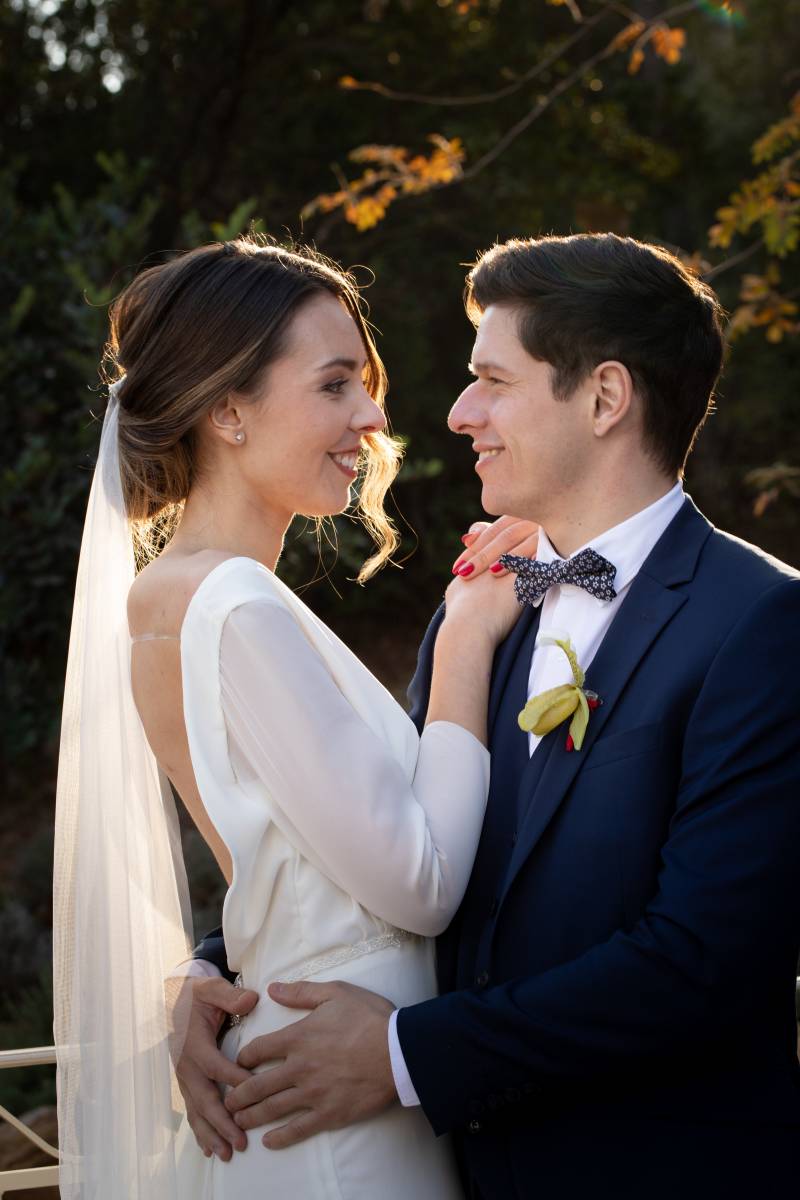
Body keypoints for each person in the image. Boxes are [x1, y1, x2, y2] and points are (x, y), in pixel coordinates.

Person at [183, 233, 800, 1199]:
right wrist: (215, 976)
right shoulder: (475, 610)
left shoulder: (761, 621)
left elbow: (702, 964)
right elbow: (399, 839)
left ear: (603, 398)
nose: (460, 413)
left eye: (492, 381)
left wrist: (399, 1055)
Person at [52, 236, 539, 1200]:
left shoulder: (166, 597)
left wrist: (194, 976)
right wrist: (466, 644)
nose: (371, 416)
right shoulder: (234, 602)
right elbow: (421, 883)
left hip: (296, 1063)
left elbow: (278, 866)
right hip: (340, 1113)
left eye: (364, 384)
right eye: (334, 387)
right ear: (228, 410)